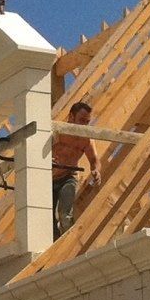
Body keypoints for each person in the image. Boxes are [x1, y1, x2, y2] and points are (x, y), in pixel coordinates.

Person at [51, 101, 100, 237]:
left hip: (68, 177)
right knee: (48, 219)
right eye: (81, 120)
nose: (84, 125)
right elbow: (40, 151)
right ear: (71, 117)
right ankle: (53, 249)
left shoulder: (86, 139)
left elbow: (94, 159)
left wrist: (95, 170)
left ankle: (66, 246)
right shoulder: (58, 132)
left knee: (65, 215)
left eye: (87, 122)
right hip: (49, 179)